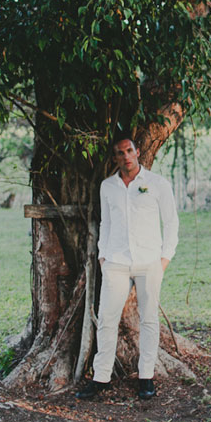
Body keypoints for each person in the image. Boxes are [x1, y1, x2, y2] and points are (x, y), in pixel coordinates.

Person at [77, 132, 179, 401]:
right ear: (115, 157)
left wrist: (164, 260)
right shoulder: (107, 186)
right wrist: (103, 258)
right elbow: (105, 224)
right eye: (120, 153)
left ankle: (146, 377)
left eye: (129, 151)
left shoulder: (157, 184)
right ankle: (101, 378)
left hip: (149, 262)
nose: (126, 156)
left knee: (148, 319)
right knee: (107, 319)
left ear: (137, 153)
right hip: (116, 263)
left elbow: (171, 223)